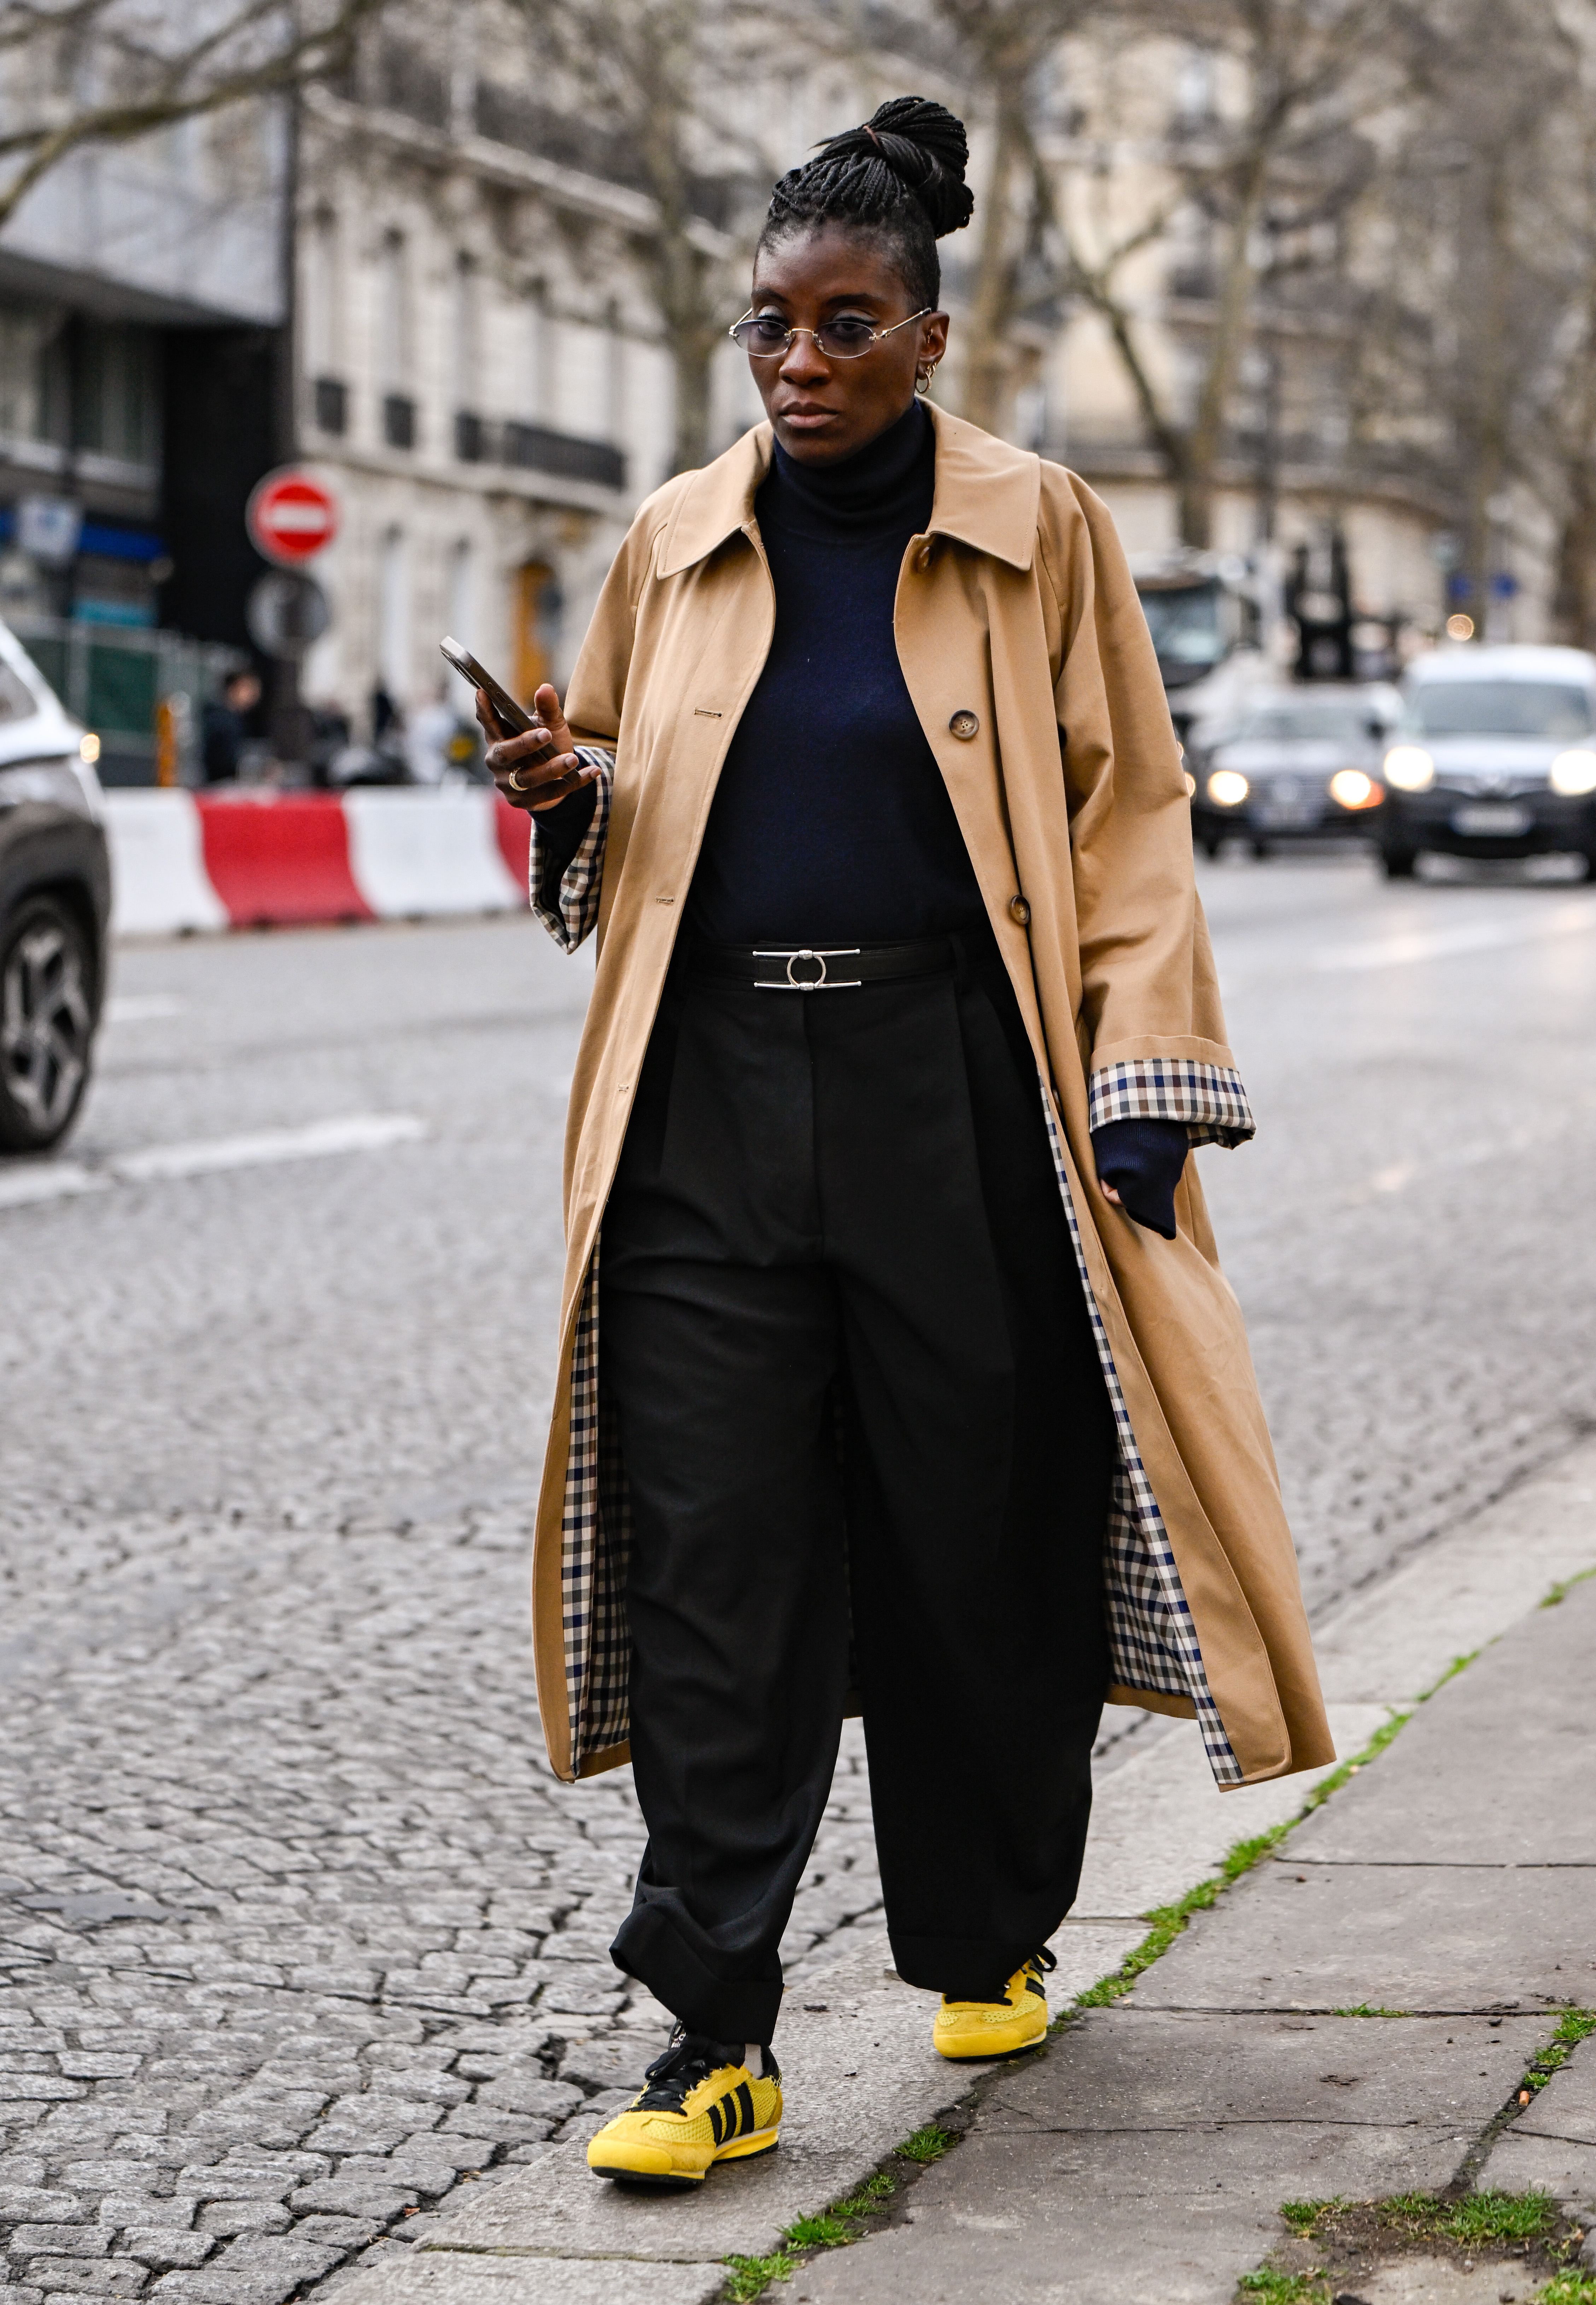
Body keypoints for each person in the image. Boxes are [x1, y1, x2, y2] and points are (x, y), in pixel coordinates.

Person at [479, 96, 1332, 2193]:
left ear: (928, 337)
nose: (796, 362)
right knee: (709, 1565)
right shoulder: (668, 542)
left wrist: (1139, 1093)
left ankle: (981, 1928)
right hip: (698, 1114)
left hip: (953, 1089)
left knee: (980, 1539)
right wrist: (557, 788)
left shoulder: (1040, 530)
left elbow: (1129, 820)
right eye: (767, 324)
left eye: (842, 325)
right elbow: (601, 851)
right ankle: (711, 2027)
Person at [200, 667, 262, 784]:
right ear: (234, 688)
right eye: (249, 689)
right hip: (216, 785)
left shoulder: (239, 719)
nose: (254, 695)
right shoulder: (219, 718)